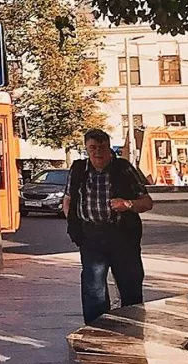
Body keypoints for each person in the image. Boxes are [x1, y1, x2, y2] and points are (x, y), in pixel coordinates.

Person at [63, 128, 154, 324]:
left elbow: (147, 202)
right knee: (93, 288)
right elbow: (68, 199)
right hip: (91, 237)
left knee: (130, 286)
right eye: (92, 147)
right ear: (86, 149)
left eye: (102, 147)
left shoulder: (124, 168)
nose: (98, 152)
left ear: (109, 148)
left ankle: (132, 327)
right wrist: (74, 223)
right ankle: (97, 330)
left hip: (122, 237)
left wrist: (127, 204)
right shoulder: (78, 169)